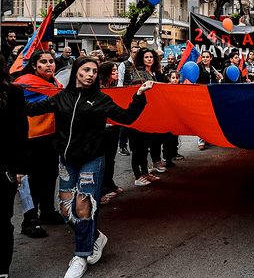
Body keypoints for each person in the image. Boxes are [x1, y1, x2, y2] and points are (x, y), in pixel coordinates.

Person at [25, 56, 153, 278]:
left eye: (94, 70)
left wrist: (139, 94)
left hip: (92, 159)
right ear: (77, 72)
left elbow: (127, 117)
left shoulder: (101, 99)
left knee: (83, 208)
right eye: (86, 69)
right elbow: (30, 109)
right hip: (66, 161)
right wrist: (10, 90)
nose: (92, 74)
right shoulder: (60, 97)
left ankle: (81, 256)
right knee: (66, 210)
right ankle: (95, 238)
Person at [14, 50, 66, 238]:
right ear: (34, 66)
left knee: (50, 175)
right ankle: (29, 220)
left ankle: (47, 212)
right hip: (30, 137)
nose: (49, 65)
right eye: (43, 62)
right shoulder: (23, 83)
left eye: (51, 61)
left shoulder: (55, 83)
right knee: (31, 180)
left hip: (50, 136)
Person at [0, 54, 29, 278]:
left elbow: (21, 132)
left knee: (2, 221)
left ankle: (2, 269)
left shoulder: (14, 92)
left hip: (4, 167)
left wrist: (21, 168)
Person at [129, 48, 167, 174]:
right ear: (141, 59)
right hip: (144, 108)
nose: (149, 59)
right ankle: (143, 166)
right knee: (144, 141)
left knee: (156, 137)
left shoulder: (157, 72)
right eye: (146, 57)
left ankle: (156, 161)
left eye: (151, 57)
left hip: (156, 108)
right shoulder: (138, 72)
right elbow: (136, 89)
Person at [98, 62, 125, 204]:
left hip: (115, 126)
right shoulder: (100, 89)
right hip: (104, 128)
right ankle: (101, 189)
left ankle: (109, 183)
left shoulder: (114, 87)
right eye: (114, 70)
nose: (117, 72)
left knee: (111, 159)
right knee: (103, 160)